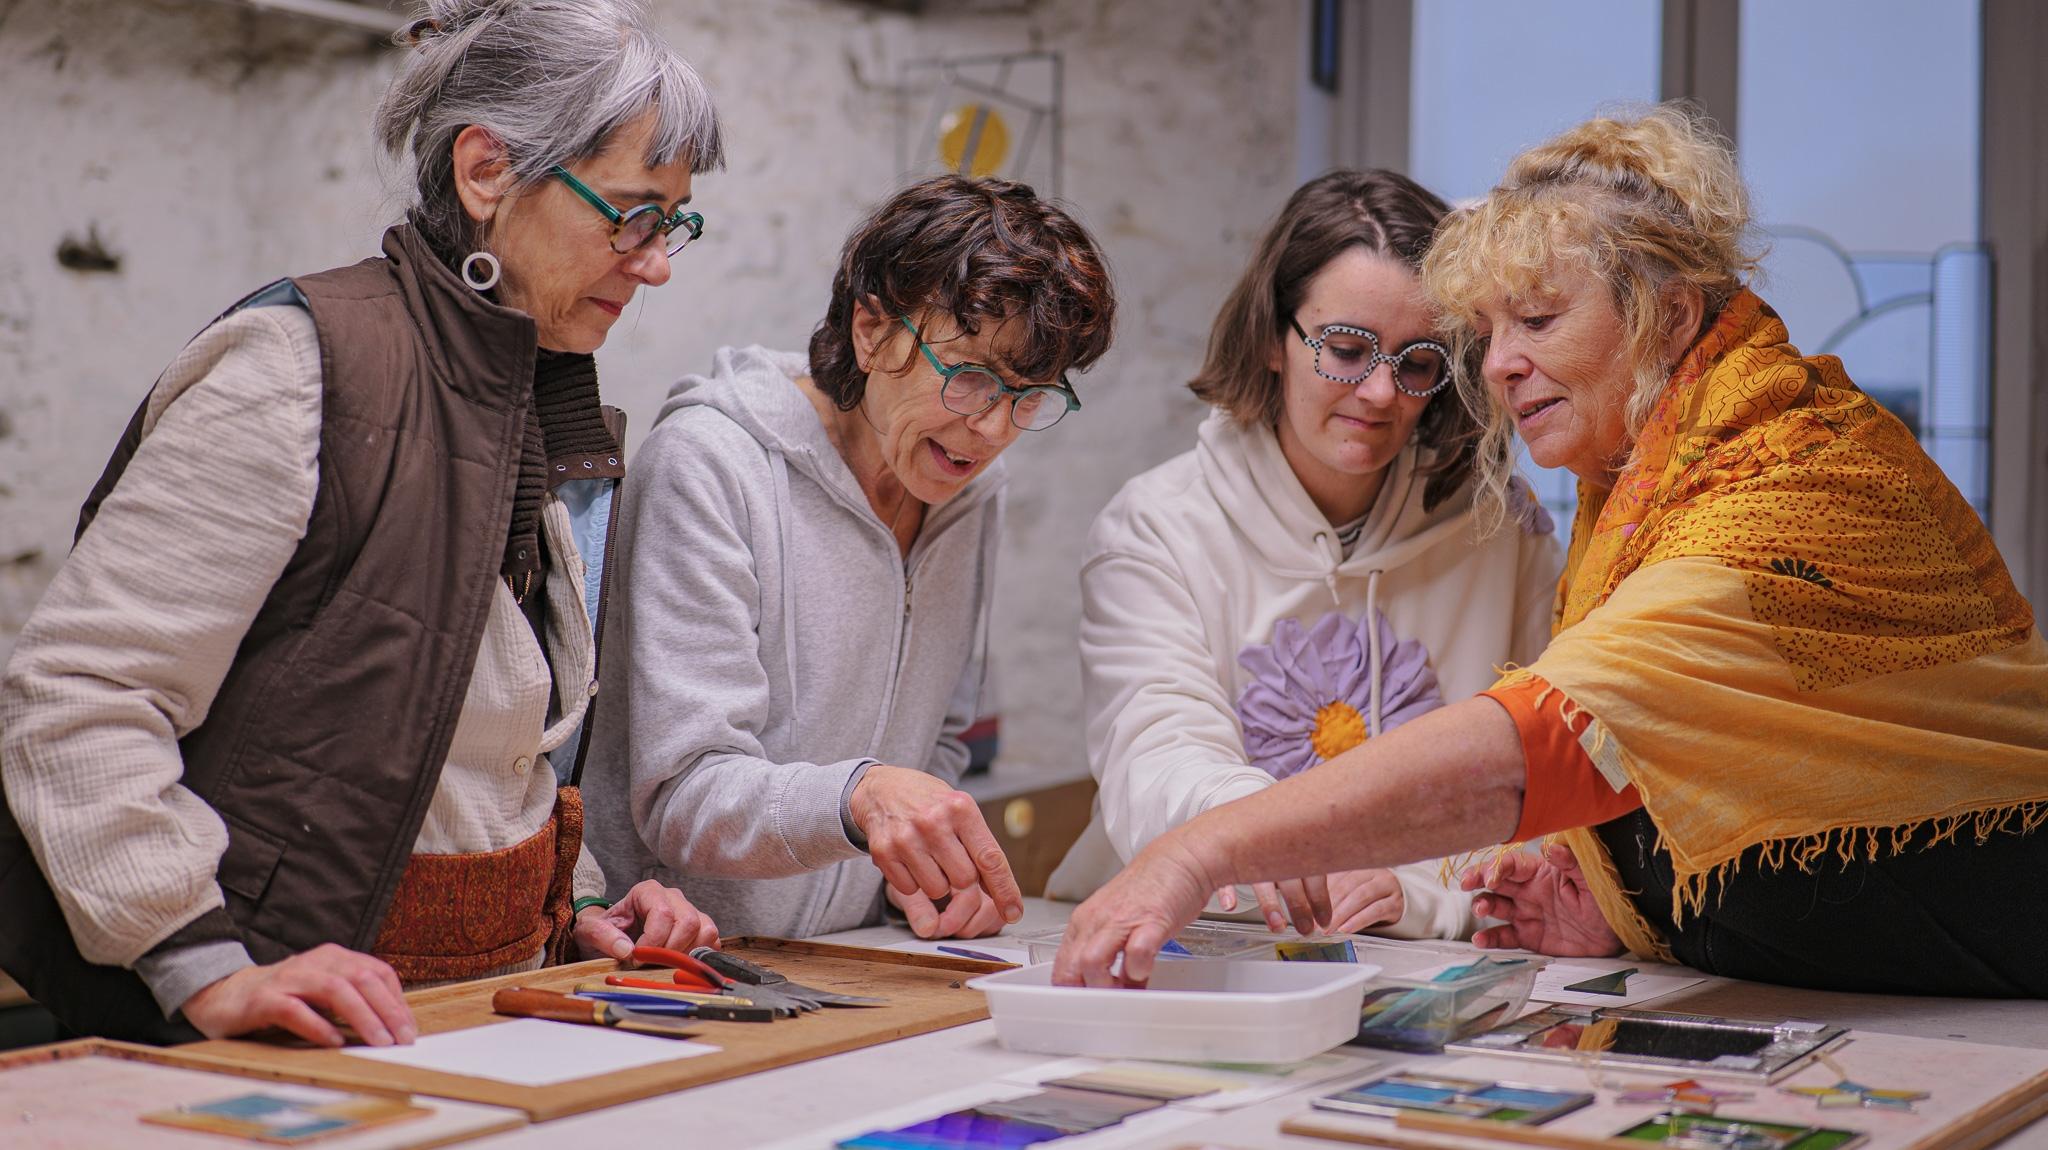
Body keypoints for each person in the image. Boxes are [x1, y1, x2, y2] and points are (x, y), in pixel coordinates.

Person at [1051, 105, 2048, 996]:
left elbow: (1547, 744)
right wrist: (1612, 907)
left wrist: (1205, 852)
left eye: (1533, 320)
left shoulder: (1785, 477)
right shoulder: (1641, 478)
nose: (1494, 366)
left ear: (1668, 316)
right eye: (1484, 331)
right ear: (1274, 339)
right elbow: (1693, 768)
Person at [0, 0, 729, 1046]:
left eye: (673, 222)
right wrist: (200, 962)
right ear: (486, 171)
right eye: (631, 215)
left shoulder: (536, 396)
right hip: (283, 1039)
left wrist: (575, 906)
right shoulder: (299, 369)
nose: (655, 262)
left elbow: (483, 748)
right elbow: (79, 694)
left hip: (464, 1024)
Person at [580, 175, 1116, 941]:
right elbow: (684, 795)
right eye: (969, 379)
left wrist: (922, 876)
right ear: (870, 330)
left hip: (855, 954)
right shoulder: (710, 465)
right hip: (678, 962)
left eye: (1028, 396)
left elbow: (939, 740)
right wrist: (861, 801)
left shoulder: (969, 491)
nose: (995, 430)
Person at [1043, 170, 1561, 941]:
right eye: (1346, 349)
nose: (1380, 393)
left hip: (1418, 952)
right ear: (1269, 340)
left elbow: (1546, 784)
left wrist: (1423, 899)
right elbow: (1158, 759)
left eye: (1417, 361)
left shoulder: (1503, 532)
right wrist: (1280, 842)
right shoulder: (1155, 528)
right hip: (1198, 937)